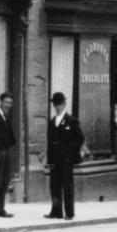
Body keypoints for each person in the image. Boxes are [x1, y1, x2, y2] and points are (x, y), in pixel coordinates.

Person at [46, 91, 85, 219]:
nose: (57, 107)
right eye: (55, 105)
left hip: (66, 159)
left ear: (64, 104)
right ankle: (56, 211)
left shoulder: (71, 121)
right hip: (53, 159)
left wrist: (69, 151)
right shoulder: (52, 122)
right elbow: (49, 142)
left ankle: (69, 213)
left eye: (60, 104)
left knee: (67, 185)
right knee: (54, 184)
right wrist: (49, 162)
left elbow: (80, 138)